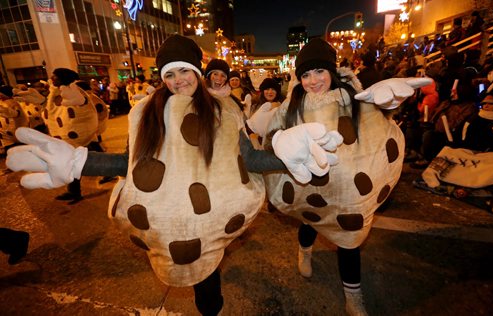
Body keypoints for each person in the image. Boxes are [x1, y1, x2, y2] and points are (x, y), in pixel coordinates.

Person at [6, 35, 338, 315]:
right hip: (167, 220)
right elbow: (130, 163)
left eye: (184, 71)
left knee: (208, 281)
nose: (178, 80)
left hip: (209, 218)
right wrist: (80, 163)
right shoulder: (145, 112)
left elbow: (248, 158)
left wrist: (285, 156)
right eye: (169, 74)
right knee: (191, 275)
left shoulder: (224, 110)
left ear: (197, 72)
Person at [262, 38, 430, 315]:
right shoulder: (291, 105)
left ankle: (353, 295)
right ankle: (304, 251)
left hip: (346, 192)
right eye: (305, 74)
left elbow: (377, 125)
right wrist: (279, 139)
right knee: (308, 223)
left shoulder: (353, 98)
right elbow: (271, 137)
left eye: (319, 72)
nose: (312, 81)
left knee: (350, 240)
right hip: (308, 185)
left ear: (332, 71)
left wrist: (388, 104)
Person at [42, 68, 99, 204]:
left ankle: (74, 192)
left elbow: (84, 106)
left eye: (55, 76)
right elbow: (53, 110)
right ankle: (74, 191)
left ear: (63, 78)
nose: (52, 78)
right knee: (77, 162)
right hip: (65, 137)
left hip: (75, 137)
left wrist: (81, 102)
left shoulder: (74, 91)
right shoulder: (56, 92)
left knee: (74, 164)